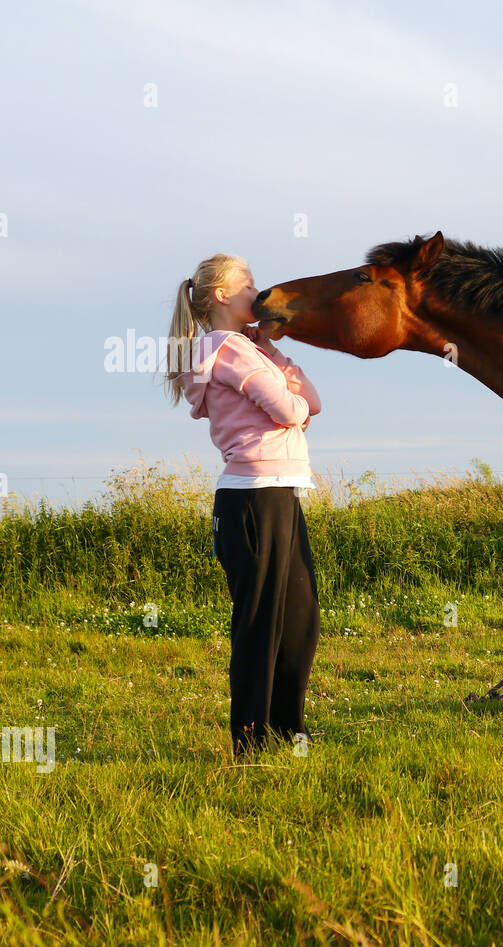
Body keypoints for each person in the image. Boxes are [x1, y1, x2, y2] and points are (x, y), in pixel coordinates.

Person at [163, 254, 321, 757]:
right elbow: (291, 408)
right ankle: (251, 741)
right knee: (259, 623)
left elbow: (311, 403)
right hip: (253, 498)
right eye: (247, 282)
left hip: (278, 492)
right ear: (223, 297)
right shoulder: (225, 349)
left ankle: (287, 730)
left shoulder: (249, 349)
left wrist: (276, 354)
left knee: (299, 616)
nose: (259, 288)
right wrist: (288, 397)